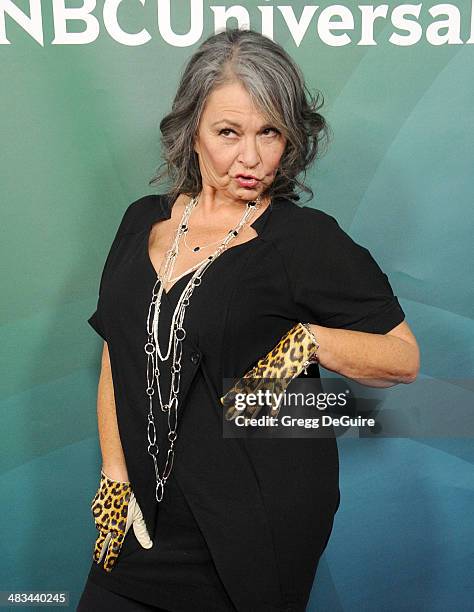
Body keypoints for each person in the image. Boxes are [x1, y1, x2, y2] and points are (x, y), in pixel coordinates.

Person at [77, 27, 420, 612]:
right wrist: (114, 473)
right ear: (193, 132)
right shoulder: (141, 223)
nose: (251, 157)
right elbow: (119, 351)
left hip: (252, 523)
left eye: (271, 133)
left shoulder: (304, 240)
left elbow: (403, 359)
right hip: (141, 517)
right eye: (228, 132)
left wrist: (308, 341)